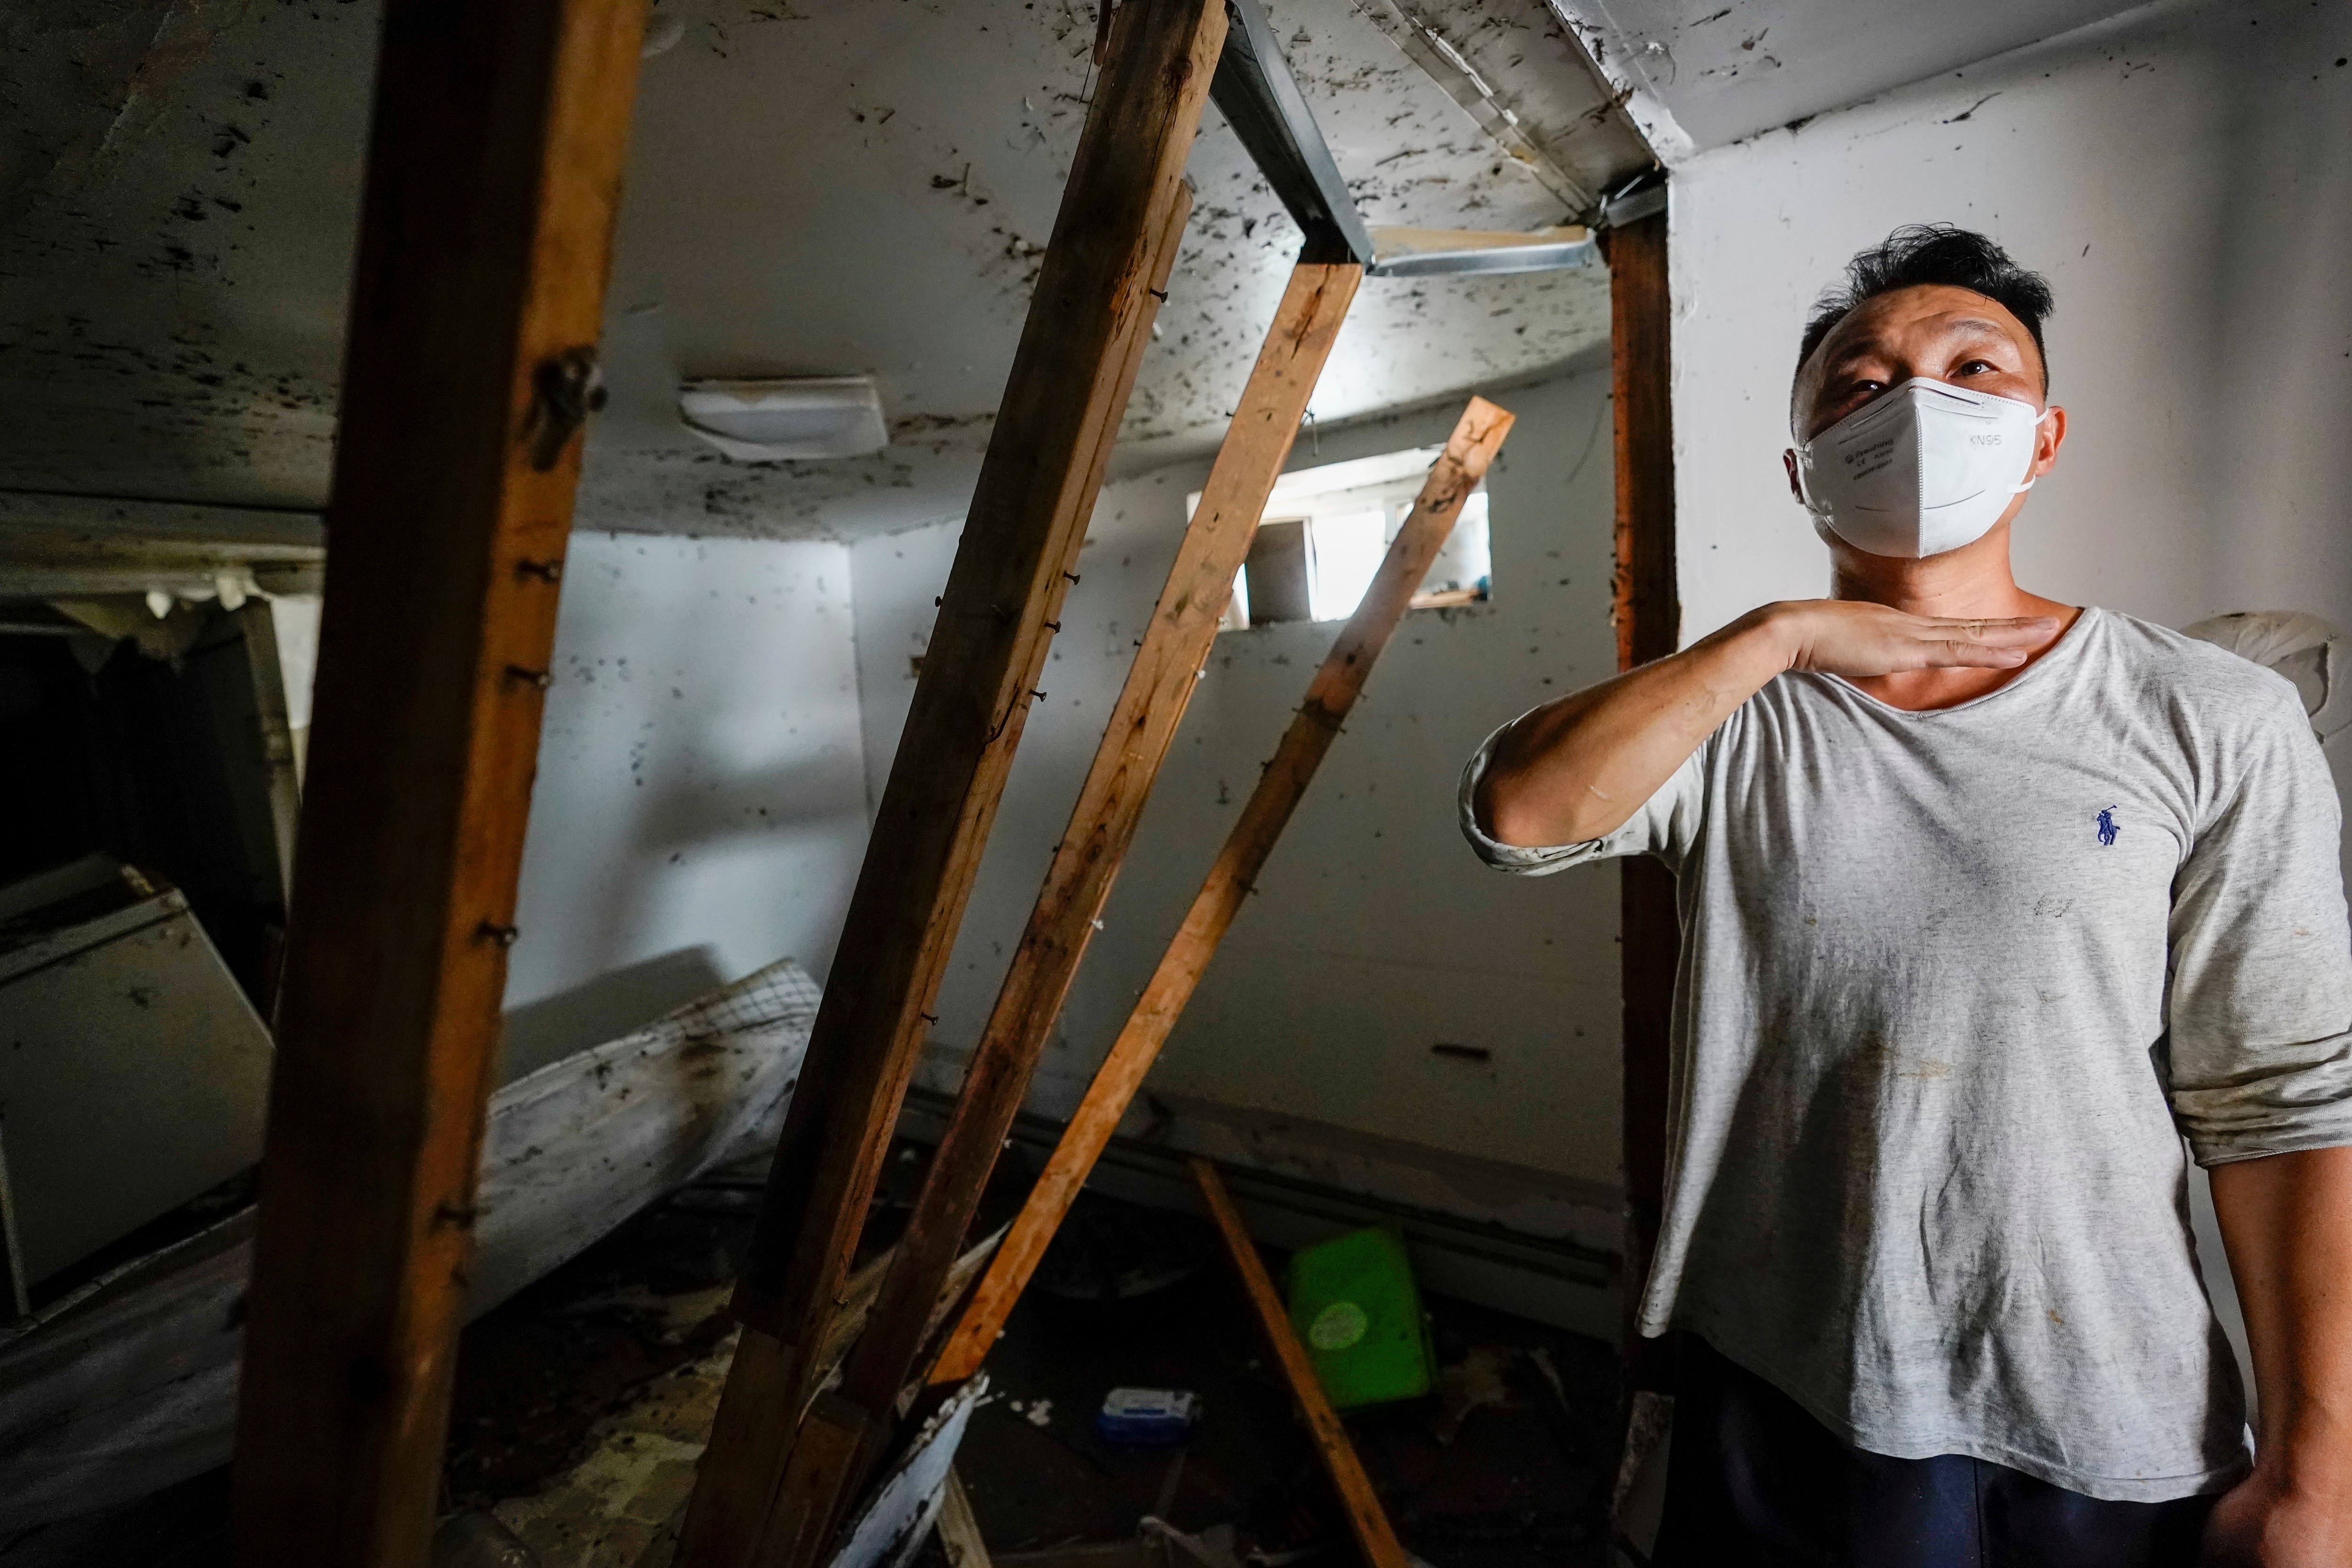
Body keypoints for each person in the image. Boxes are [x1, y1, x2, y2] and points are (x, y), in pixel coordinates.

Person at [1460, 226, 2352, 1566]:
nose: (1916, 403)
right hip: (1777, 1385)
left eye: (1973, 368)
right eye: (1859, 385)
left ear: (2044, 440)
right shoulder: (1740, 712)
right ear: (1804, 467)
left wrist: (2315, 1479)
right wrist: (1781, 635)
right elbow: (1517, 817)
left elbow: (2283, 1101)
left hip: (2092, 1418)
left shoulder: (2208, 714)